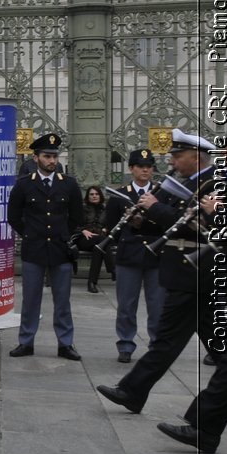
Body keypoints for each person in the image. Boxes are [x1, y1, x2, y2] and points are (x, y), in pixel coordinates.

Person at [96, 129, 227, 452]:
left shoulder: (214, 183)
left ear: (195, 157)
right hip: (184, 274)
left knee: (169, 340)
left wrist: (155, 208)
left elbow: (202, 224)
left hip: (195, 274)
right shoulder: (183, 183)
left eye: (177, 155)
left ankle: (135, 391)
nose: (171, 160)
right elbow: (169, 221)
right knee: (215, 348)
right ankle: (136, 391)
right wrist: (142, 218)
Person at [7, 132, 85, 359]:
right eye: (47, 156)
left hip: (60, 249)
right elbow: (14, 216)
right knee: (31, 299)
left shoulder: (68, 184)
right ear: (36, 158)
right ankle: (26, 341)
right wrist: (30, 234)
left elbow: (76, 217)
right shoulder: (23, 185)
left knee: (62, 300)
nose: (52, 161)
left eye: (54, 156)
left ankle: (65, 343)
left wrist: (64, 235)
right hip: (34, 249)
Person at [102, 149, 165, 362]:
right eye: (140, 166)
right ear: (131, 169)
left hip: (155, 254)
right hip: (129, 255)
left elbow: (168, 223)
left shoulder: (161, 194)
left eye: (149, 166)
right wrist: (128, 222)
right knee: (127, 304)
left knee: (156, 304)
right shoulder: (121, 195)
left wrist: (144, 222)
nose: (145, 169)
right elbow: (111, 228)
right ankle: (126, 344)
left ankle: (156, 345)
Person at [79, 184, 115, 293]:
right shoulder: (82, 209)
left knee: (98, 248)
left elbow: (112, 225)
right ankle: (113, 269)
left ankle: (92, 282)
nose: (94, 196)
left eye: (96, 194)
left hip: (99, 240)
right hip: (84, 239)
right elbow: (74, 223)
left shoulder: (106, 210)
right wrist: (83, 230)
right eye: (91, 194)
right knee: (102, 242)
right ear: (88, 196)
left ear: (100, 196)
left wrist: (106, 229)